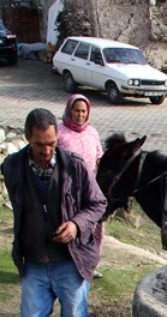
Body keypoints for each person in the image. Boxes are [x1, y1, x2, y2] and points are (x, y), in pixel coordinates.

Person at [1, 107, 107, 317]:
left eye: (51, 143)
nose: (47, 150)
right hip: (35, 260)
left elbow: (98, 204)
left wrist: (76, 224)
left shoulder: (74, 166)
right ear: (27, 139)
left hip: (70, 260)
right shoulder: (12, 167)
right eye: (39, 144)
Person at [56, 93, 105, 278]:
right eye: (76, 110)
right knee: (73, 224)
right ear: (69, 110)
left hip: (90, 188)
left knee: (93, 227)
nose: (80, 115)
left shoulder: (92, 132)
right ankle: (69, 264)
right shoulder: (60, 132)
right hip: (68, 189)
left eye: (84, 111)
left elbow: (99, 157)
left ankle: (89, 264)